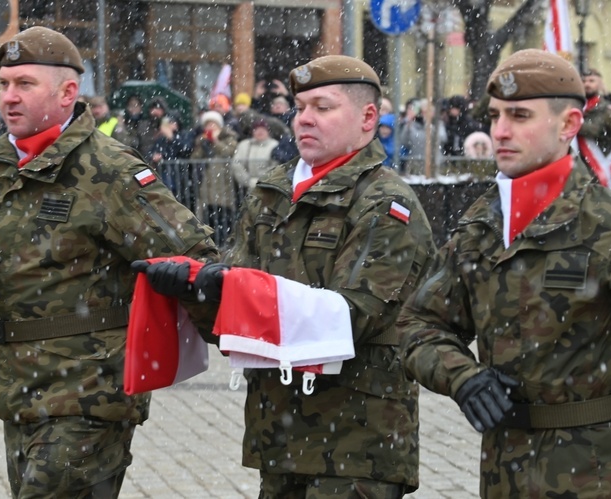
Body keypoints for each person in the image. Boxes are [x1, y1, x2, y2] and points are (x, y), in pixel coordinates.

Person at [135, 55, 436, 497]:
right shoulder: (273, 192)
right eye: (300, 107)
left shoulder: (386, 204)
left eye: (323, 107)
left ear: (368, 117)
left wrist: (233, 289)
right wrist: (196, 290)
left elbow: (351, 320)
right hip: (278, 437)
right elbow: (238, 328)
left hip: (356, 444)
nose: (304, 119)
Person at [398, 48, 611, 497]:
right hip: (503, 470)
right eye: (495, 116)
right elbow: (419, 325)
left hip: (597, 470)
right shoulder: (482, 225)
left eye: (519, 116)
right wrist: (463, 377)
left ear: (569, 125)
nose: (500, 130)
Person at [0, 27, 219, 498]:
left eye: (24, 84)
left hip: (88, 397)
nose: (8, 97)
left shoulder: (109, 169)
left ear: (68, 92)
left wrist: (238, 334)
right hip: (16, 393)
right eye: (4, 83)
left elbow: (195, 259)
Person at [190, 110, 239, 246]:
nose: (210, 127)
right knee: (208, 222)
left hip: (224, 186)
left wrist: (215, 141)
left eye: (213, 124)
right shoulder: (202, 140)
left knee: (225, 220)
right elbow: (194, 158)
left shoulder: (229, 137)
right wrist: (203, 145)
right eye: (208, 124)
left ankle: (225, 246)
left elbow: (228, 152)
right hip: (208, 188)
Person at [230, 119, 278, 190]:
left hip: (269, 187)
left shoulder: (275, 145)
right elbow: (237, 164)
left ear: (268, 131)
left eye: (263, 129)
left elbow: (275, 166)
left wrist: (263, 181)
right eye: (257, 129)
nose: (260, 131)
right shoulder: (244, 144)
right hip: (247, 188)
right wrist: (248, 181)